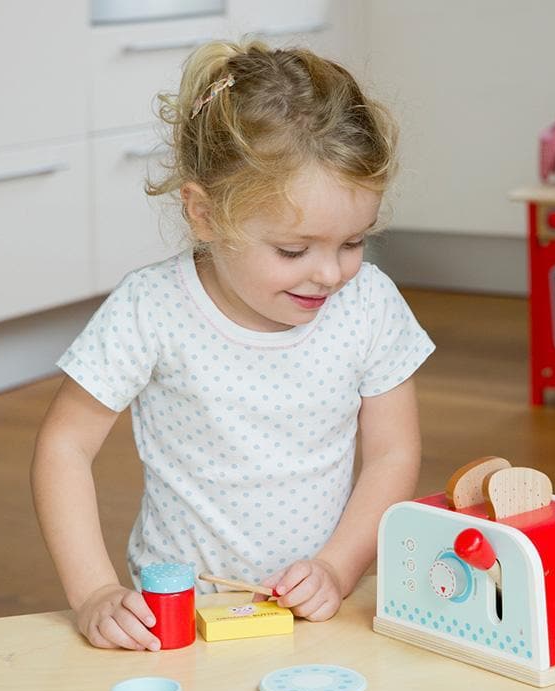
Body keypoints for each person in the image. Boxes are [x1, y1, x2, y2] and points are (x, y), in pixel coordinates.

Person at [31, 39, 435, 651]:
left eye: (354, 241)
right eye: (294, 250)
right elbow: (64, 446)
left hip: (318, 610)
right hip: (180, 619)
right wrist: (93, 592)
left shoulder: (370, 303)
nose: (330, 274)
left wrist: (338, 566)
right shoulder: (151, 308)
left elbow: (392, 454)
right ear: (204, 215)